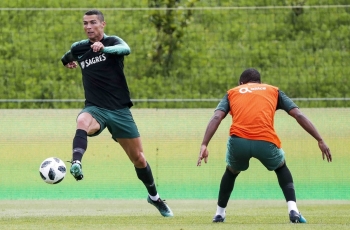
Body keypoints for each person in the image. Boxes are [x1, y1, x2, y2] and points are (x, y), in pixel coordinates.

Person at [60, 9, 173, 217]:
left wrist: (104, 49)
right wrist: (68, 62)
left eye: (93, 22)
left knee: (139, 159)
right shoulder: (79, 47)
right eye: (85, 23)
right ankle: (76, 162)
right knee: (82, 120)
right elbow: (66, 57)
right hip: (96, 108)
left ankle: (155, 198)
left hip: (120, 110)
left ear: (103, 24)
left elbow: (126, 49)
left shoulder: (112, 42)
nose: (88, 27)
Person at [197, 68, 332, 223]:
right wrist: (320, 139)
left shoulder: (233, 92)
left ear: (242, 83)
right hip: (265, 141)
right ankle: (293, 211)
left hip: (238, 141)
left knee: (231, 172)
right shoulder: (273, 91)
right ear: (259, 83)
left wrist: (204, 144)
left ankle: (219, 213)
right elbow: (298, 115)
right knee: (281, 167)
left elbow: (216, 117)